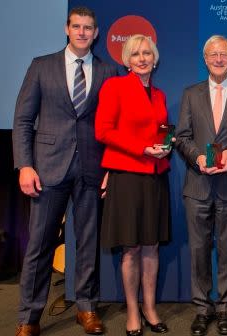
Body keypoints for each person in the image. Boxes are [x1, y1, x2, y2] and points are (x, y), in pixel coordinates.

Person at [12, 6, 117, 336]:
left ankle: (86, 308)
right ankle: (29, 317)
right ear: (66, 29)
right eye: (77, 26)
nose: (83, 32)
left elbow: (114, 125)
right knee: (39, 246)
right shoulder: (41, 67)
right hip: (47, 169)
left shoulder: (108, 71)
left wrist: (110, 169)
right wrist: (25, 165)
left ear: (96, 33)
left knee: (87, 243)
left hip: (91, 168)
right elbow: (23, 120)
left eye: (88, 27)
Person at [95, 34, 171, 336]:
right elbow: (103, 130)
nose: (142, 58)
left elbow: (162, 131)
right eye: (136, 54)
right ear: (127, 59)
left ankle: (150, 308)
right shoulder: (115, 86)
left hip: (154, 176)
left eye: (147, 53)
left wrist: (165, 146)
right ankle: (132, 311)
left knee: (151, 246)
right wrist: (141, 148)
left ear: (155, 58)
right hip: (126, 176)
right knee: (131, 248)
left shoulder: (160, 94)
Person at [176, 35, 227, 336]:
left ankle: (225, 308)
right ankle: (202, 309)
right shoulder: (190, 94)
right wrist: (196, 158)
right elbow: (182, 136)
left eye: (224, 54)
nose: (218, 59)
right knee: (199, 249)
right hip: (198, 184)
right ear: (204, 59)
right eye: (213, 54)